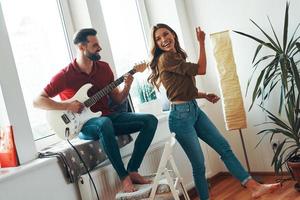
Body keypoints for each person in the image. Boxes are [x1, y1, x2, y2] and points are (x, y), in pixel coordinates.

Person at [147, 23, 281, 200]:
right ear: (156, 44)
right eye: (158, 38)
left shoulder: (176, 56)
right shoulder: (166, 59)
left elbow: (181, 89)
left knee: (224, 147)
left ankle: (253, 186)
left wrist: (204, 95)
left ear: (173, 34)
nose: (163, 39)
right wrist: (201, 42)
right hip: (180, 117)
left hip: (193, 110)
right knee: (199, 166)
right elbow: (201, 70)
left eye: (166, 34)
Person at [33, 28, 158, 192]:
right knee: (103, 123)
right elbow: (37, 101)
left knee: (150, 120)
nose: (100, 48)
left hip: (108, 118)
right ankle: (124, 177)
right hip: (84, 126)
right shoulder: (65, 75)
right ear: (81, 47)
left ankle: (133, 170)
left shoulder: (104, 68)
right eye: (95, 45)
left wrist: (127, 86)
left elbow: (118, 99)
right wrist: (67, 106)